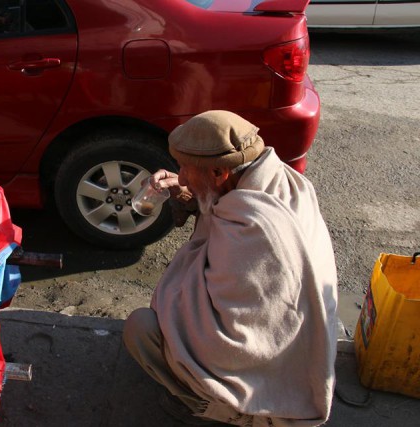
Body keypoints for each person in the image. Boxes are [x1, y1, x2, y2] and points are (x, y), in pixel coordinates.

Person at [123, 110, 338, 426]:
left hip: (272, 401)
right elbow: (223, 204)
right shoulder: (283, 181)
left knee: (142, 328)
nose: (179, 175)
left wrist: (171, 294)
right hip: (303, 354)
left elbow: (223, 345)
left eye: (186, 169)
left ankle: (216, 409)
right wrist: (193, 193)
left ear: (219, 173)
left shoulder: (255, 234)